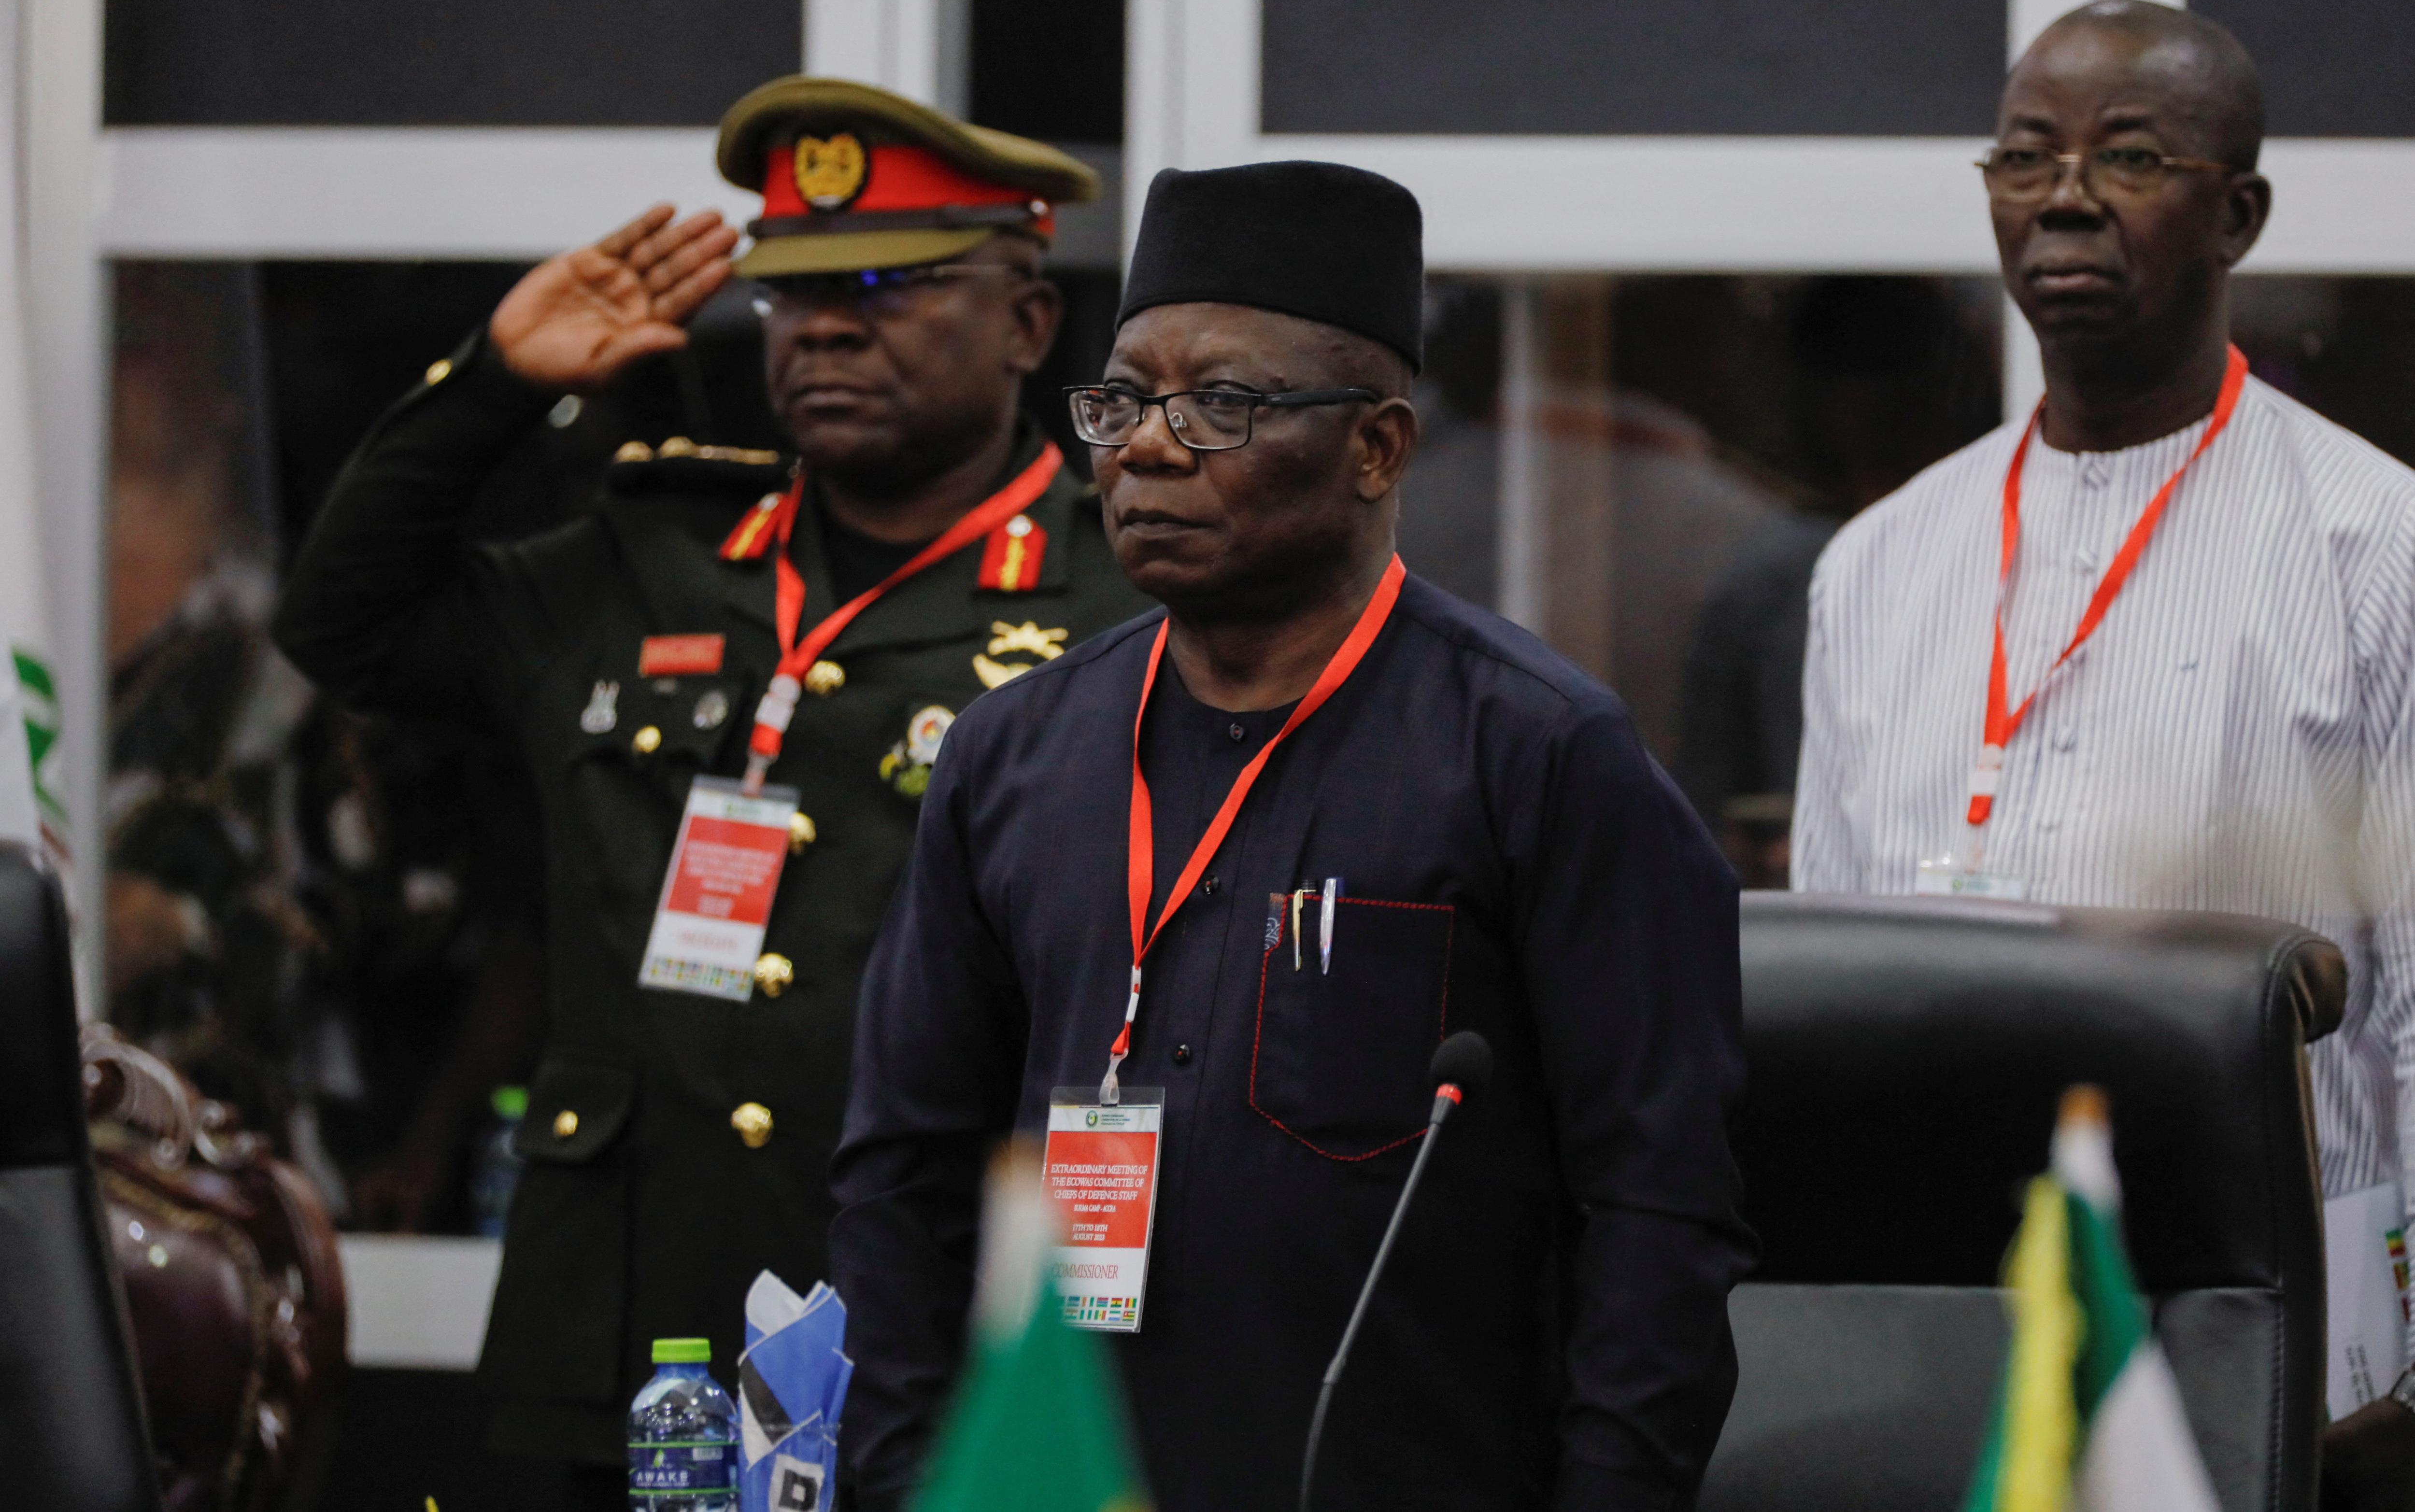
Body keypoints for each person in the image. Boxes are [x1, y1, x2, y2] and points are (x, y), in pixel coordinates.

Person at [272, 77, 1152, 1502]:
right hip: (632, 1333)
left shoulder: (1122, 608)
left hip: (934, 1338)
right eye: (793, 292)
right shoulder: (650, 553)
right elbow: (341, 625)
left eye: (888, 284)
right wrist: (502, 378)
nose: (825, 327)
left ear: (1029, 325)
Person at [831, 161, 1750, 1512]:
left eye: (1220, 405)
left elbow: (1661, 1216)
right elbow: (901, 1174)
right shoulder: (1011, 755)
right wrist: (909, 1482)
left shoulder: (1541, 754)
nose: (1146, 445)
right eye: (1125, 399)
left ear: (1377, 445)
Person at [1792, 0, 2415, 1459]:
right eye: (2024, 158)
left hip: (2282, 1345)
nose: (2064, 198)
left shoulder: (2376, 545)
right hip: (1934, 1323)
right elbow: (1823, 989)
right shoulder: (1879, 562)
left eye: (2130, 156)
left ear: (2238, 216)